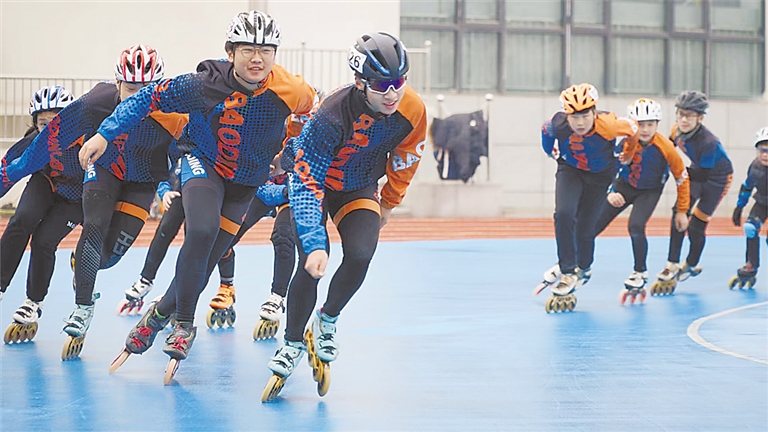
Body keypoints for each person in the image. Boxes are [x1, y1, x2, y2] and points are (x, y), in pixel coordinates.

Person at [87, 11, 316, 384]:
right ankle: (184, 324)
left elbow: (309, 115)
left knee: (208, 259)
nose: (257, 58)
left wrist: (288, 149)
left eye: (265, 50)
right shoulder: (200, 85)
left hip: (246, 182)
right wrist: (104, 133)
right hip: (203, 163)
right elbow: (146, 98)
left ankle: (159, 313)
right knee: (202, 231)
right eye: (247, 49)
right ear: (230, 52)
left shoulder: (293, 89)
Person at [261, 32, 427, 402]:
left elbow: (407, 157)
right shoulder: (330, 114)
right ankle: (291, 343)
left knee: (362, 253)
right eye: (382, 85)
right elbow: (307, 183)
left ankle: (326, 320)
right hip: (315, 185)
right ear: (359, 82)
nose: (392, 93)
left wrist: (389, 202)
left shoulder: (413, 109)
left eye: (399, 82)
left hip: (358, 186)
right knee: (311, 263)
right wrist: (315, 243)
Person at [60, 45, 187, 360]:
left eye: (147, 89)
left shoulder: (176, 114)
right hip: (104, 170)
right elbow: (54, 134)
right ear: (116, 83)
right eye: (131, 88)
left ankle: (84, 264)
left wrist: (165, 189)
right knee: (94, 227)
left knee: (106, 259)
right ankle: (83, 307)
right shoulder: (96, 101)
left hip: (141, 183)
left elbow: (179, 157)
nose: (139, 97)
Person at [538, 83, 639, 313]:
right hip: (571, 169)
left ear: (594, 112)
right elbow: (546, 131)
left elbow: (633, 129)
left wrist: (629, 153)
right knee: (563, 214)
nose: (580, 123)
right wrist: (551, 151)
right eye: (574, 117)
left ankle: (584, 267)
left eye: (585, 116)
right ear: (566, 116)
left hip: (600, 175)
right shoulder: (557, 124)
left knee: (585, 226)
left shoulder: (610, 125)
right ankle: (567, 271)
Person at [593, 98, 690, 304]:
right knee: (592, 226)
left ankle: (640, 272)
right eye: (640, 124)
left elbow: (682, 178)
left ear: (657, 124)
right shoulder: (625, 142)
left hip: (649, 190)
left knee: (636, 225)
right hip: (624, 186)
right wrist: (610, 191)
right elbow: (608, 168)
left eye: (650, 124)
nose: (645, 130)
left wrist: (682, 210)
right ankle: (573, 264)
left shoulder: (666, 148)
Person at [0, 86, 78, 343]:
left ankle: (33, 302)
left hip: (76, 196)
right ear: (35, 124)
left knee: (44, 241)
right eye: (43, 123)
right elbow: (6, 170)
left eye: (56, 121)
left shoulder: (86, 137)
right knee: (21, 221)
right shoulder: (33, 139)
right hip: (46, 183)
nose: (49, 129)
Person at [649, 91, 733, 295]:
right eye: (681, 114)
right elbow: (667, 149)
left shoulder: (709, 142)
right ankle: (672, 263)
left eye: (690, 115)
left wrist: (677, 171)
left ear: (700, 118)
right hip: (697, 170)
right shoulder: (676, 130)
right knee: (679, 212)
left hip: (717, 179)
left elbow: (701, 174)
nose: (684, 120)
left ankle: (691, 263)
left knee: (696, 226)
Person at [728, 126, 768, 289]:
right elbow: (747, 186)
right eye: (762, 150)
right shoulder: (755, 166)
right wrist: (739, 207)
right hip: (762, 202)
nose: (765, 155)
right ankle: (751, 265)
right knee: (750, 228)